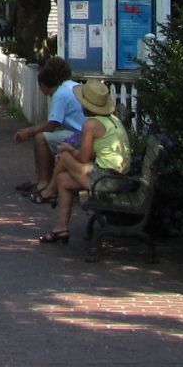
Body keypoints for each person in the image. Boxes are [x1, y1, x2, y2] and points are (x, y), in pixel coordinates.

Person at [39, 79, 131, 245]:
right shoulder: (112, 121)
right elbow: (96, 152)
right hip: (116, 176)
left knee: (65, 157)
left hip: (106, 180)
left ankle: (49, 192)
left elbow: (83, 158)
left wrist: (68, 149)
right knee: (63, 180)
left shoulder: (91, 124)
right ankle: (61, 229)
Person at [13, 57, 87, 201]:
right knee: (47, 136)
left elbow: (53, 123)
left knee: (41, 138)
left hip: (78, 134)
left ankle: (42, 182)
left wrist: (29, 132)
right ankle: (41, 179)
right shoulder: (75, 86)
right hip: (82, 131)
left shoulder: (61, 93)